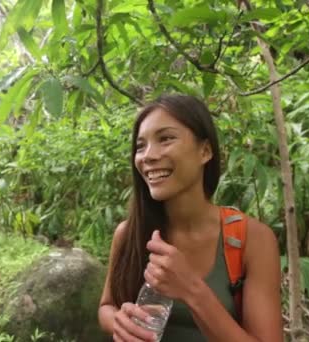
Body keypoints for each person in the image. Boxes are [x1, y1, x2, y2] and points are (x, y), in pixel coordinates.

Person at [97, 94, 283, 342]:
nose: (148, 156)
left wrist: (191, 290)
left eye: (165, 139)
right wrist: (118, 322)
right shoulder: (129, 233)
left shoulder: (252, 239)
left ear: (205, 151)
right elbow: (106, 306)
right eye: (140, 146)